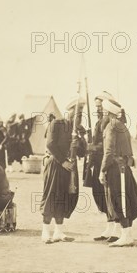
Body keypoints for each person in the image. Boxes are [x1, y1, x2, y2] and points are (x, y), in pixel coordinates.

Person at [99, 98, 137, 247]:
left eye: (104, 112)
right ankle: (127, 234)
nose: (103, 114)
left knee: (119, 200)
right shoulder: (122, 125)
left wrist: (102, 170)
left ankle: (126, 235)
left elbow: (109, 151)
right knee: (126, 199)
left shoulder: (111, 126)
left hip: (115, 169)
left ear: (107, 112)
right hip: (125, 168)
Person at [40, 98, 83, 244]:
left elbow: (82, 152)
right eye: (76, 112)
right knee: (52, 196)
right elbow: (50, 145)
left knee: (65, 198)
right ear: (68, 111)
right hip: (56, 165)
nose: (78, 116)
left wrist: (81, 143)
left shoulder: (77, 129)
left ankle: (58, 232)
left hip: (70, 168)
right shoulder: (56, 124)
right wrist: (63, 161)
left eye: (81, 113)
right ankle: (46, 232)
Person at [85, 92, 117, 241]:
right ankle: (109, 228)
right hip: (97, 163)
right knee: (100, 196)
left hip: (106, 163)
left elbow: (107, 146)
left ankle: (115, 230)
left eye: (100, 106)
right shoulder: (100, 121)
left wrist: (91, 147)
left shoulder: (108, 122)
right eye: (96, 106)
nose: (98, 109)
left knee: (109, 196)